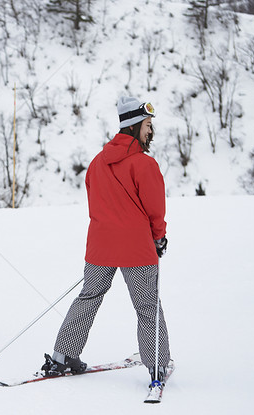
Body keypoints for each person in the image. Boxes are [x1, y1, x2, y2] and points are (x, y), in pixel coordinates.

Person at [41, 96, 171, 384]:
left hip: (100, 247)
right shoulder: (143, 164)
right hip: (137, 249)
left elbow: (95, 202)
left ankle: (63, 356)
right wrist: (159, 238)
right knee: (148, 306)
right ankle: (158, 365)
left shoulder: (97, 162)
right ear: (135, 126)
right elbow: (155, 209)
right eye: (148, 125)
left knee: (88, 297)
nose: (151, 131)